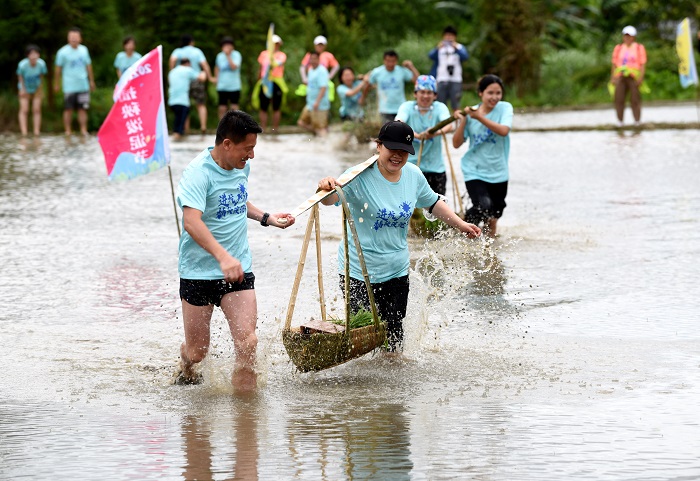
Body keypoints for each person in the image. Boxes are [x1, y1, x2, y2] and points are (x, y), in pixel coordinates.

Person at [318, 121, 481, 352]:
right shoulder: (359, 175)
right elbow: (329, 200)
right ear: (378, 146)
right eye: (392, 149)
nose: (398, 156)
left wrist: (461, 224)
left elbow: (433, 202)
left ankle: (392, 383)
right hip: (358, 270)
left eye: (404, 151)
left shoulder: (412, 174)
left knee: (394, 336)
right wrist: (325, 186)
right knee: (362, 336)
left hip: (396, 269)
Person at [175, 110, 295, 390]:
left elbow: (239, 200)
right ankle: (185, 367)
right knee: (197, 352)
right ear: (226, 144)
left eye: (253, 149)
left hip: (238, 268)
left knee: (247, 343)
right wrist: (222, 257)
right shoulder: (198, 173)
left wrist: (266, 218)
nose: (251, 156)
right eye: (247, 149)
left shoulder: (241, 167)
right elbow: (191, 221)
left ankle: (246, 420)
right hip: (198, 272)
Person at [452, 75, 513, 238]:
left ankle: (490, 251)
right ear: (481, 93)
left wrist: (480, 117)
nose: (494, 97)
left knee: (495, 214)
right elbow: (456, 143)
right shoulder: (471, 113)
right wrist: (464, 120)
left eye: (498, 93)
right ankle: (464, 230)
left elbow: (504, 130)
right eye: (490, 93)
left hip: (498, 170)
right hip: (474, 169)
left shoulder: (505, 108)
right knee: (483, 206)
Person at [395, 75, 453, 195]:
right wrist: (415, 135)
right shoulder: (407, 107)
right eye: (422, 92)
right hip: (410, 166)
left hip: (435, 168)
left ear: (435, 95)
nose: (425, 96)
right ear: (415, 93)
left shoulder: (440, 107)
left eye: (429, 93)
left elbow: (449, 126)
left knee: (438, 208)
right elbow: (399, 122)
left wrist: (434, 133)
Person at [54, 28, 96, 136]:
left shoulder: (84, 50)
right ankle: (68, 130)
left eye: (76, 37)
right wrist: (56, 83)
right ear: (68, 38)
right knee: (68, 109)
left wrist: (91, 81)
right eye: (71, 36)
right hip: (69, 86)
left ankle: (83, 129)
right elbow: (58, 69)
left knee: (83, 109)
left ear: (80, 38)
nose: (74, 39)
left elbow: (88, 66)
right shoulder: (62, 52)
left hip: (83, 85)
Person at [170, 34, 213, 134]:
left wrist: (173, 71)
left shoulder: (178, 51)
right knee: (201, 104)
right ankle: (203, 126)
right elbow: (204, 65)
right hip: (196, 79)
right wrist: (210, 77)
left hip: (182, 80)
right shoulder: (197, 51)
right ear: (191, 42)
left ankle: (186, 128)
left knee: (184, 104)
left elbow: (172, 60)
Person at [364, 50, 420, 123]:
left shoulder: (401, 71)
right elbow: (367, 85)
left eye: (393, 61)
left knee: (401, 132)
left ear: (396, 61)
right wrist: (363, 98)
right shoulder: (377, 72)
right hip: (385, 109)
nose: (390, 64)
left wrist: (411, 67)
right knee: (388, 132)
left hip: (400, 108)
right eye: (388, 61)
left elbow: (418, 81)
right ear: (384, 60)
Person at [610, 25, 647, 127]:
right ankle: (620, 121)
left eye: (629, 36)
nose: (627, 38)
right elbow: (614, 63)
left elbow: (643, 64)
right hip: (621, 76)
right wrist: (613, 77)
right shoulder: (618, 48)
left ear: (633, 37)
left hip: (633, 76)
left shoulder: (639, 48)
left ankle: (637, 121)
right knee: (619, 98)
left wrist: (641, 77)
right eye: (626, 36)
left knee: (635, 99)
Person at [428, 26, 469, 111]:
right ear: (443, 36)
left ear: (455, 37)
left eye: (451, 35)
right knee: (440, 104)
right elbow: (430, 56)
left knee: (456, 104)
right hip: (441, 79)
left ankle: (457, 123)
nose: (449, 37)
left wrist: (456, 48)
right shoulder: (440, 48)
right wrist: (437, 48)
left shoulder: (459, 47)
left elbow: (465, 56)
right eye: (447, 35)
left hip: (455, 79)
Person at [255, 34, 287, 132]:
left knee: (276, 106)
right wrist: (258, 79)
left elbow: (277, 63)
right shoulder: (263, 54)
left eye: (276, 44)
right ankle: (263, 129)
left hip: (277, 82)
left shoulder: (282, 55)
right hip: (265, 82)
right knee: (263, 106)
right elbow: (261, 68)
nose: (275, 45)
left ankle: (275, 129)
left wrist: (271, 59)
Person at [168, 58, 207, 140]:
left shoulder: (172, 72)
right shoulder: (187, 70)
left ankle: (180, 136)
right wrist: (204, 72)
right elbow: (201, 78)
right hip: (182, 101)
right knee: (179, 127)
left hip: (172, 101)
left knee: (177, 121)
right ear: (188, 64)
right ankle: (177, 139)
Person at [16, 44, 47, 137]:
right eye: (31, 54)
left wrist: (40, 90)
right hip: (24, 87)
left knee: (37, 109)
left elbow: (42, 78)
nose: (33, 56)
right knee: (24, 109)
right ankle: (24, 132)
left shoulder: (41, 64)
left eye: (35, 54)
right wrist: (22, 90)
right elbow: (20, 77)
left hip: (36, 88)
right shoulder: (22, 65)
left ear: (38, 55)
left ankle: (36, 131)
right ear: (27, 55)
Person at [297, 51, 330, 136]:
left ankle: (324, 141)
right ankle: (316, 133)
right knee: (301, 122)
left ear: (319, 59)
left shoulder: (322, 71)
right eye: (311, 59)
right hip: (310, 103)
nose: (313, 61)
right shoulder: (311, 70)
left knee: (321, 127)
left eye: (315, 58)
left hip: (320, 105)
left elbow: (323, 87)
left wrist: (317, 102)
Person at [213, 36, 242, 119]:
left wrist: (228, 56)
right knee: (222, 107)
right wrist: (216, 78)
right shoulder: (219, 56)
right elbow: (217, 67)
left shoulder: (236, 54)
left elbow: (234, 67)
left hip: (234, 85)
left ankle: (235, 126)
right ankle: (222, 127)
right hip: (222, 85)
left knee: (234, 107)